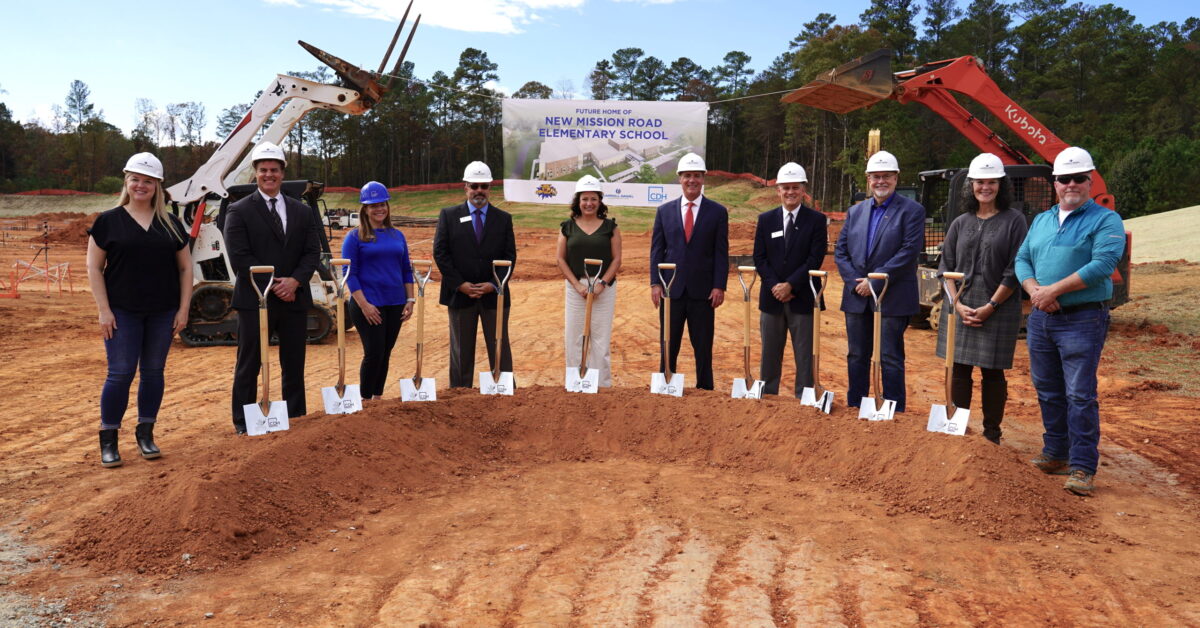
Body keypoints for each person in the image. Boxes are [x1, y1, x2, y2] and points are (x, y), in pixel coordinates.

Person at [1016, 146, 1125, 497]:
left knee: (1079, 394)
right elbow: (1022, 259)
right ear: (1055, 183)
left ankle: (1082, 466)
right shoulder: (1042, 220)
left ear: (1090, 181)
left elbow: (1103, 264)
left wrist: (1053, 291)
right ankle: (1055, 452)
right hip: (1042, 319)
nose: (1071, 184)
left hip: (1082, 318)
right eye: (1065, 178)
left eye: (1079, 178)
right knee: (1047, 389)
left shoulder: (1105, 220)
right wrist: (1035, 291)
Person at [86, 152, 193, 467]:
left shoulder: (171, 224)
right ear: (127, 181)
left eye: (148, 180)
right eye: (135, 179)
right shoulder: (108, 221)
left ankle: (146, 434)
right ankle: (109, 439)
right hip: (122, 312)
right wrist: (104, 310)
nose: (141, 185)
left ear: (158, 185)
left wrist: (183, 309)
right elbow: (94, 268)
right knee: (120, 373)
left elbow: (186, 268)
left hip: (162, 312)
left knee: (153, 373)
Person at [224, 141, 321, 434]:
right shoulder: (239, 210)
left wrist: (295, 281)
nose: (269, 175)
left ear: (282, 173)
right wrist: (274, 285)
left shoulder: (301, 211)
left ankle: (296, 417)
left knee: (294, 362)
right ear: (255, 173)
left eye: (274, 170)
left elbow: (312, 252)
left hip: (293, 298)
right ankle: (244, 422)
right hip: (255, 299)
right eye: (264, 169)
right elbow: (239, 256)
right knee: (249, 362)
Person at [936, 153, 1029, 444]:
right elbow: (945, 268)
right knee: (959, 368)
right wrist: (956, 304)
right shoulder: (960, 222)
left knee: (992, 372)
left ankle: (991, 435)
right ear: (971, 185)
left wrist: (991, 306)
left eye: (991, 182)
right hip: (960, 303)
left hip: (998, 304)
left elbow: (1015, 269)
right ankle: (957, 429)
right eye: (979, 182)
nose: (985, 188)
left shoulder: (1015, 221)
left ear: (1001, 185)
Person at [833, 150, 925, 412]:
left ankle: (893, 411)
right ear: (868, 179)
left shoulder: (912, 211)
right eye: (875, 176)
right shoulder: (855, 212)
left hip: (892, 295)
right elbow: (841, 251)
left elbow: (909, 252)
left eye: (886, 176)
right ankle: (856, 406)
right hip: (857, 295)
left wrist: (873, 282)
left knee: (890, 356)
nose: (880, 181)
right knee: (857, 354)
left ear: (896, 178)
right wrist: (855, 282)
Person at [433, 161, 517, 388]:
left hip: (495, 296)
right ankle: (460, 395)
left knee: (499, 346)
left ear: (490, 188)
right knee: (461, 350)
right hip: (460, 295)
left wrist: (494, 284)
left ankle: (504, 390)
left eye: (484, 186)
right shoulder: (449, 215)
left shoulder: (503, 219)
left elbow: (510, 257)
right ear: (466, 188)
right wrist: (460, 284)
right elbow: (441, 253)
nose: (479, 191)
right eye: (474, 186)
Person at [650, 152, 729, 390]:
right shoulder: (664, 211)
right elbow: (657, 250)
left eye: (696, 175)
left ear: (703, 178)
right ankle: (666, 385)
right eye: (687, 175)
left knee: (703, 346)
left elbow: (721, 252)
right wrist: (655, 283)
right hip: (670, 290)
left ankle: (705, 390)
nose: (691, 180)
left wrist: (719, 285)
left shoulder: (717, 212)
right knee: (668, 343)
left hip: (703, 292)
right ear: (679, 179)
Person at [751, 162, 828, 397]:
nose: (790, 192)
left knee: (805, 354)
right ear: (778, 190)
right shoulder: (766, 220)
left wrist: (791, 285)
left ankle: (805, 397)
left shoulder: (816, 220)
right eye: (786, 188)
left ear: (803, 190)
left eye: (795, 187)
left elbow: (815, 258)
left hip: (803, 298)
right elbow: (760, 257)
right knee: (769, 353)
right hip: (772, 298)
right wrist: (776, 286)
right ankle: (768, 395)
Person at [342, 181, 415, 400]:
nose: (379, 209)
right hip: (368, 304)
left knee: (385, 353)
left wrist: (410, 299)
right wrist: (364, 305)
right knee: (374, 352)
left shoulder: (397, 235)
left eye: (382, 204)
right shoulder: (354, 237)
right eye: (373, 205)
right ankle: (365, 400)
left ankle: (377, 398)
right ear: (365, 209)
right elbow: (350, 273)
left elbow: (406, 269)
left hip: (395, 303)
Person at [555, 175, 622, 386]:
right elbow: (560, 259)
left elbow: (617, 259)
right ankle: (575, 382)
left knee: (600, 338)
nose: (589, 203)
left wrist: (602, 284)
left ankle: (601, 384)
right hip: (576, 287)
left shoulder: (611, 227)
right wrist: (577, 285)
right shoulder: (567, 227)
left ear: (600, 201)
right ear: (578, 201)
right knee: (573, 337)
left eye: (593, 199)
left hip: (603, 289)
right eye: (585, 199)